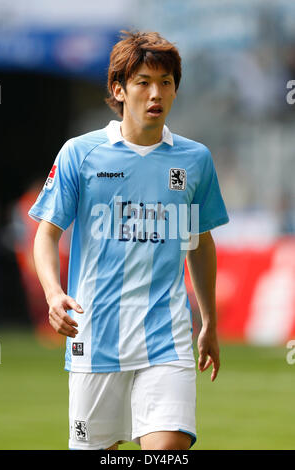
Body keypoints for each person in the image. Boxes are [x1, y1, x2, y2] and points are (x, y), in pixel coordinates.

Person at [29, 30, 229, 451]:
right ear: (119, 90)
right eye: (143, 82)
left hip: (167, 338)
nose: (156, 93)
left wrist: (208, 321)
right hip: (94, 339)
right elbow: (46, 235)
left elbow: (201, 242)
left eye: (166, 82)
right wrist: (52, 294)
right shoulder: (79, 154)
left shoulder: (195, 160)